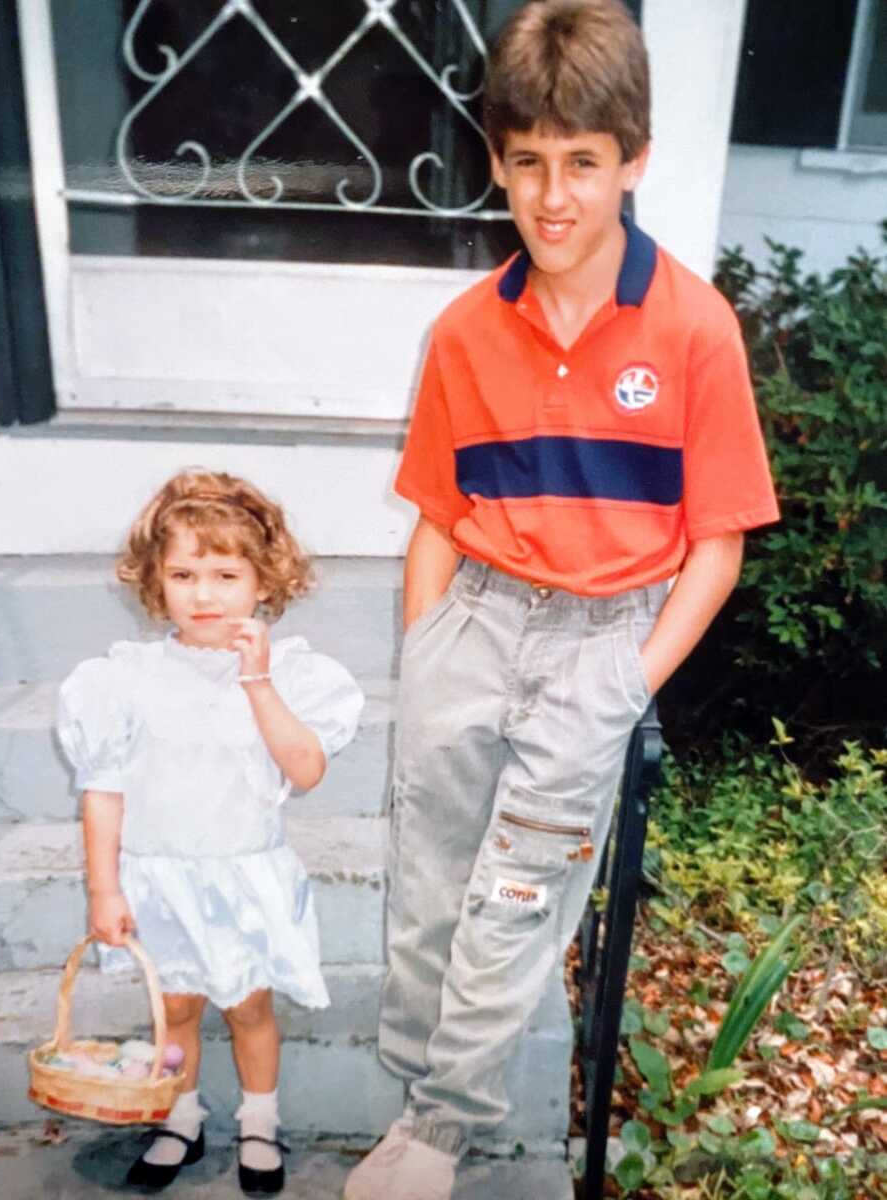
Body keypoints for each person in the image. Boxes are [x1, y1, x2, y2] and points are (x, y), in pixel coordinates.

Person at [344, 2, 779, 1198]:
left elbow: (720, 544)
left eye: (583, 164)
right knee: (432, 879)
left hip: (602, 637)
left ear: (632, 161)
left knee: (520, 892)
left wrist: (626, 682)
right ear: (495, 160)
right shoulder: (464, 333)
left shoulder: (693, 330)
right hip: (475, 617)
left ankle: (440, 1127)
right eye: (526, 162)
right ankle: (411, 1088)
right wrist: (429, 644)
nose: (553, 196)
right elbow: (436, 514)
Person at [57, 469, 363, 1196]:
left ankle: (261, 1119)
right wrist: (104, 889)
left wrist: (257, 683)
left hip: (245, 873)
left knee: (249, 1005)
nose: (203, 594)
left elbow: (307, 767)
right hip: (158, 876)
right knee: (178, 1008)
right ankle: (181, 1117)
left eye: (225, 573)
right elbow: (103, 791)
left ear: (263, 582)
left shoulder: (292, 674)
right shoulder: (125, 680)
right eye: (183, 574)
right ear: (155, 583)